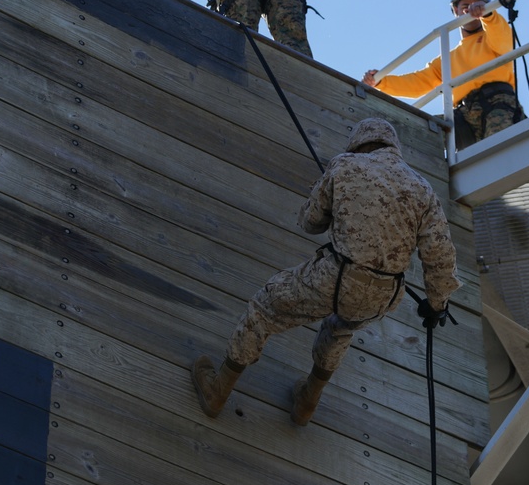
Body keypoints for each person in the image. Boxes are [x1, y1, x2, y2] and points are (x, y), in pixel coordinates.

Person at [192, 118, 460, 425]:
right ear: (393, 147)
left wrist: (333, 201)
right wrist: (437, 306)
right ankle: (307, 402)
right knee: (340, 329)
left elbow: (310, 222)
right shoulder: (423, 190)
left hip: (336, 276)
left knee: (265, 308)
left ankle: (218, 390)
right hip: (383, 296)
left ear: (359, 144)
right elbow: (440, 256)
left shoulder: (345, 165)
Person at [363, 0, 525, 149]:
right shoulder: (448, 59)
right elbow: (419, 82)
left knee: (500, 152)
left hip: (497, 104)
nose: (470, 9)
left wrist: (488, 14)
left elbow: (503, 38)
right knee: (418, 133)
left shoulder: (493, 38)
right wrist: (381, 82)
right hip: (463, 114)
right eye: (465, 6)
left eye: (477, 4)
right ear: (455, 10)